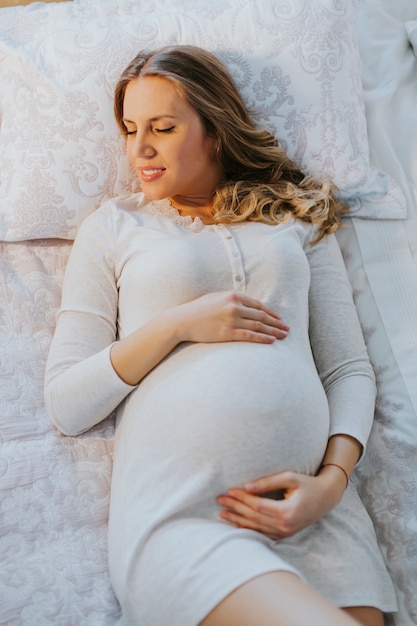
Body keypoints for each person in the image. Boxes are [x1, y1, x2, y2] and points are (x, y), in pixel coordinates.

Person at [44, 45, 396, 626]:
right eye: (130, 129)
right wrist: (177, 324)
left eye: (162, 127)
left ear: (214, 130)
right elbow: (67, 401)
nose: (140, 149)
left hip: (316, 514)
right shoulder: (113, 228)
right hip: (188, 516)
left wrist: (331, 485)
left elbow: (347, 369)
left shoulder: (297, 217)